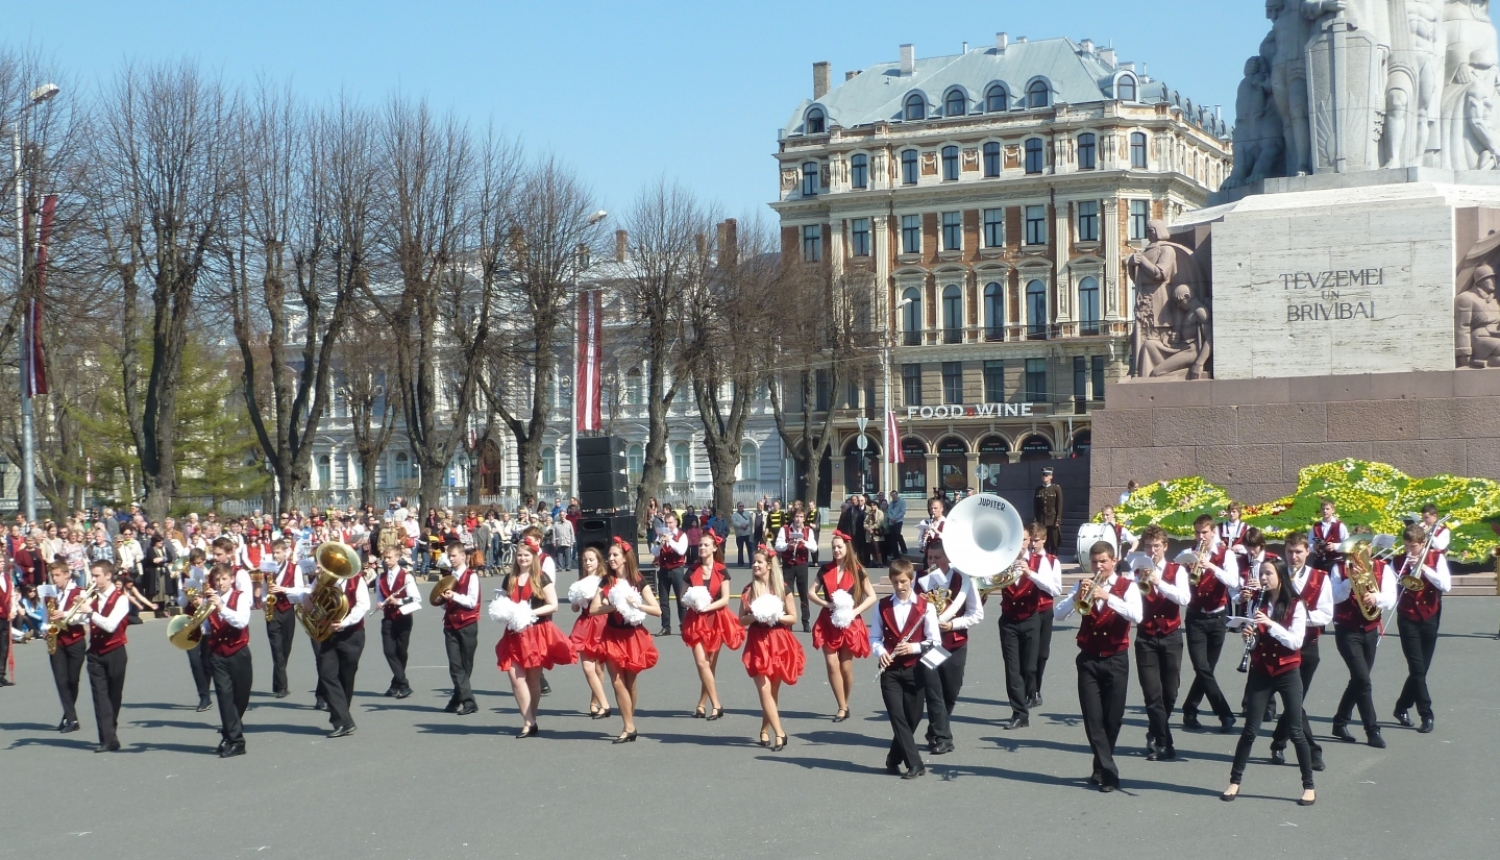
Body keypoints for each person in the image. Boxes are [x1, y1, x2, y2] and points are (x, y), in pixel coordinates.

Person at [1221, 557, 1316, 806]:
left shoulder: (1296, 605)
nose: (1263, 578)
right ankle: (1234, 781)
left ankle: (1308, 785)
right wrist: (1248, 636)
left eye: (1268, 574)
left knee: (1296, 730)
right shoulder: (1257, 602)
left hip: (1288, 672)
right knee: (1250, 730)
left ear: (1281, 577)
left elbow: (1296, 642)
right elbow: (1255, 641)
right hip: (1262, 670)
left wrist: (1270, 624)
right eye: (1261, 574)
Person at [1053, 540, 1143, 793]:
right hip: (1089, 659)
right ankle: (1110, 772)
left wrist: (1108, 596)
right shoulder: (1084, 586)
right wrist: (1075, 599)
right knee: (1093, 719)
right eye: (1094, 562)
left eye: (1103, 561)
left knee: (1112, 720)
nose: (1098, 566)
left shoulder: (1128, 587)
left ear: (1113, 561)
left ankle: (1099, 767)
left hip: (1116, 659)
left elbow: (1137, 616)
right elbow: (1058, 614)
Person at [494, 536, 576, 738]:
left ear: (534, 557)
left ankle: (532, 718)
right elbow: (502, 601)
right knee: (515, 676)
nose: (522, 558)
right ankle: (528, 720)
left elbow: (553, 605)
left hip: (536, 632)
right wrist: (503, 610)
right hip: (514, 633)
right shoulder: (510, 578)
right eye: (519, 555)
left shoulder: (541, 578)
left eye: (526, 555)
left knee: (533, 679)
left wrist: (529, 613)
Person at [1268, 533, 1332, 772]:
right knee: (1294, 702)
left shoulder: (1320, 578)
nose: (1293, 557)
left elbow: (1326, 614)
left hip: (1307, 646)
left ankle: (1278, 741)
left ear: (1307, 552)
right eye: (1289, 552)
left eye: (1298, 552)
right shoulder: (1276, 574)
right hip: (1281, 646)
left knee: (1297, 700)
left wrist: (1298, 618)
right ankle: (1313, 751)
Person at [870, 558, 939, 780]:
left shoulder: (925, 607)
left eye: (903, 582)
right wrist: (880, 652)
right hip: (890, 671)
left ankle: (893, 757)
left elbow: (935, 640)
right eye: (895, 582)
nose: (899, 587)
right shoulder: (883, 606)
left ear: (911, 580)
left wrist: (913, 647)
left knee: (912, 718)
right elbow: (874, 637)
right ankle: (915, 764)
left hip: (915, 669)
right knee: (898, 717)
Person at [590, 536, 662, 743]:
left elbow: (656, 610)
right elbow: (594, 609)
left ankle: (631, 722)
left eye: (615, 555)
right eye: (609, 555)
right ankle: (628, 726)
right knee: (617, 682)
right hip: (612, 636)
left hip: (633, 636)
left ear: (624, 558)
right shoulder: (606, 581)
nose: (611, 559)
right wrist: (614, 606)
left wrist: (635, 604)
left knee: (630, 683)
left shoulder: (637, 580)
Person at [915, 537, 982, 755]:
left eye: (938, 557)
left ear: (948, 558)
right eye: (930, 557)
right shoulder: (921, 579)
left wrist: (952, 624)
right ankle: (944, 738)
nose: (933, 562)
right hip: (930, 646)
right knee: (934, 692)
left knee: (950, 692)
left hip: (955, 643)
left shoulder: (964, 580)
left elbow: (976, 614)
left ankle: (935, 730)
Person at [1329, 537, 1397, 748]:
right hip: (1346, 630)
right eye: (1356, 548)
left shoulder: (1382, 568)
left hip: (1369, 629)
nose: (1360, 552)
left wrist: (1376, 599)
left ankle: (1339, 722)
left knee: (1360, 679)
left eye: (1365, 547)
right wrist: (1350, 581)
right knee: (1363, 680)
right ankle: (1372, 730)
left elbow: (1391, 597)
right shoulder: (1339, 569)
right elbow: (1334, 597)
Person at [293, 553, 368, 739]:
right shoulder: (321, 581)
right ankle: (342, 721)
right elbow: (307, 595)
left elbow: (363, 605)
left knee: (346, 677)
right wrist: (306, 600)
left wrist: (345, 622)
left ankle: (343, 717)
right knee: (327, 674)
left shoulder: (356, 580)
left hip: (351, 635)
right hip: (328, 635)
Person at [1180, 514, 1243, 734]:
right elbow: (1173, 570)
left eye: (1204, 532)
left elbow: (1234, 582)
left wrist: (1211, 567)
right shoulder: (1188, 553)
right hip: (1196, 617)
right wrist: (1189, 563)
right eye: (1197, 532)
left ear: (1213, 532)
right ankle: (1224, 714)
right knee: (1201, 667)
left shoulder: (1225, 555)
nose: (1201, 537)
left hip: (1217, 617)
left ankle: (1189, 709)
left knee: (1207, 669)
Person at [995, 524, 1062, 730]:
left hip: (1031, 619)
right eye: (1019, 540)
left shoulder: (1040, 562)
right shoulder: (1000, 560)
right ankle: (1019, 713)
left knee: (1029, 667)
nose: (1023, 545)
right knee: (1012, 668)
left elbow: (1054, 589)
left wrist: (1030, 573)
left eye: (1025, 540)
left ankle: (1028, 694)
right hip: (1008, 620)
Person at [739, 545, 805, 751]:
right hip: (758, 641)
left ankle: (764, 729)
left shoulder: (782, 588)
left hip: (778, 640)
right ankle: (780, 733)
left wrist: (775, 615)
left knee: (773, 691)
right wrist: (756, 615)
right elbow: (741, 620)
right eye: (754, 562)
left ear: (769, 565)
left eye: (759, 562)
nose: (755, 565)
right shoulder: (749, 590)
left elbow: (793, 617)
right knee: (764, 688)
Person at [1134, 524, 1191, 762]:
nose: (1152, 551)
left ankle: (1155, 730)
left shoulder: (1176, 570)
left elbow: (1185, 598)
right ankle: (1164, 742)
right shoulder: (1136, 570)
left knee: (1171, 692)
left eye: (1156, 546)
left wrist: (1160, 583)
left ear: (1165, 547)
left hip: (1171, 636)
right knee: (1152, 694)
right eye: (1148, 546)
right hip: (1145, 636)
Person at [809, 529, 876, 721]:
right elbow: (810, 593)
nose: (836, 550)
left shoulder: (857, 569)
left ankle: (845, 703)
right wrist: (826, 604)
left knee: (845, 668)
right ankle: (841, 706)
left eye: (839, 547)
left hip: (850, 623)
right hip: (827, 622)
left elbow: (871, 596)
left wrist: (855, 612)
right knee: (832, 664)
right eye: (833, 547)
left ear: (847, 548)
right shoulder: (825, 569)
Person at [1391, 523, 1451, 734]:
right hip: (1407, 618)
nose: (1410, 551)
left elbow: (1446, 585)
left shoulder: (1436, 558)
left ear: (1423, 543)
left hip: (1430, 617)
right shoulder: (1398, 561)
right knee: (1416, 669)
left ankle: (1401, 707)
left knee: (1421, 670)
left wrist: (1425, 568)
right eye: (1407, 545)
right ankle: (1426, 714)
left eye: (1413, 546)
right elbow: (1391, 589)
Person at [681, 532, 745, 720]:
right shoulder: (692, 570)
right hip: (696, 620)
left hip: (716, 620)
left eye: (706, 545)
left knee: (709, 666)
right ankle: (717, 704)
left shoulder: (722, 570)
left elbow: (725, 599)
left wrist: (707, 605)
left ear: (714, 548)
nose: (702, 548)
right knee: (702, 662)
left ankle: (702, 703)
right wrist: (692, 602)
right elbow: (683, 597)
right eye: (700, 545)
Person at [204, 564, 252, 758]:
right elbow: (207, 628)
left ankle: (228, 734)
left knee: (240, 697)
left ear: (231, 579)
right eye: (217, 580)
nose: (220, 583)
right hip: (217, 654)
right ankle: (237, 741)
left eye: (224, 579)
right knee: (224, 697)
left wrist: (221, 607)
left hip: (238, 652)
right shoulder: (210, 601)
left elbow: (241, 621)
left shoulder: (240, 597)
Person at [84, 560, 129, 753]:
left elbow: (110, 625)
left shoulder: (121, 599)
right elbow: (79, 618)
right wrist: (68, 613)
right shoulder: (92, 598)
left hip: (115, 651)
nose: (93, 579)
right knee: (99, 696)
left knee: (113, 696)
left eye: (96, 575)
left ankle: (111, 732)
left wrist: (90, 613)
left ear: (108, 575)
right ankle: (107, 739)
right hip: (95, 652)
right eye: (92, 575)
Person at [436, 540, 480, 716]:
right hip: (450, 624)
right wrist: (443, 601)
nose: (451, 559)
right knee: (455, 665)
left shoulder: (472, 576)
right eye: (449, 556)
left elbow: (471, 601)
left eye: (454, 556)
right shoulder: (448, 576)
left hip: (468, 624)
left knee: (466, 665)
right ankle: (469, 702)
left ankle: (456, 698)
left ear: (463, 556)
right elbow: (443, 605)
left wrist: (453, 595)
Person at [41, 562, 86, 733]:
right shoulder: (49, 595)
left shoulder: (79, 592)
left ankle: (67, 715)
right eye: (53, 576)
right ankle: (72, 719)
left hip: (75, 641)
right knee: (61, 681)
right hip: (57, 642)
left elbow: (83, 618)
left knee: (72, 681)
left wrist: (65, 615)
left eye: (58, 575)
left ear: (67, 575)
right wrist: (45, 630)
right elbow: (45, 618)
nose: (55, 579)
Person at [568, 546, 612, 719]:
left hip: (602, 623)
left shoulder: (604, 580)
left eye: (591, 559)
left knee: (599, 669)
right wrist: (577, 598)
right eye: (585, 560)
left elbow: (609, 603)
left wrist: (596, 597)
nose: (587, 563)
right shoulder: (581, 581)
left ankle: (595, 702)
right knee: (588, 667)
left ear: (598, 561)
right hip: (585, 624)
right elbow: (574, 608)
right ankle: (605, 705)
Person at [263, 539, 308, 700]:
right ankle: (283, 686)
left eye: (278, 552)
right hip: (273, 611)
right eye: (273, 552)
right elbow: (263, 590)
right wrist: (264, 601)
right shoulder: (268, 569)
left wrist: (283, 589)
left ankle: (277, 681)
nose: (275, 556)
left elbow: (300, 590)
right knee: (277, 649)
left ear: (285, 552)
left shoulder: (294, 568)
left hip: (288, 609)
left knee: (286, 648)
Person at [374, 544, 420, 699]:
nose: (386, 560)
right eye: (385, 557)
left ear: (397, 558)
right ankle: (403, 683)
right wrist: (380, 603)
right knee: (388, 651)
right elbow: (380, 595)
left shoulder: (407, 576)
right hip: (388, 618)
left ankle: (395, 685)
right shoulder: (380, 578)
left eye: (390, 557)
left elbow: (416, 598)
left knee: (401, 652)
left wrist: (398, 601)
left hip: (404, 618)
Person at [773, 508, 816, 633]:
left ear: (804, 518)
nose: (798, 519)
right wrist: (788, 545)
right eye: (797, 516)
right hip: (788, 565)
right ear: (793, 517)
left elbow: (814, 548)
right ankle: (788, 622)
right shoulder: (785, 529)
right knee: (787, 593)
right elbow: (777, 546)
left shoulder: (808, 531)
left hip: (802, 564)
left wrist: (805, 542)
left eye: (801, 516)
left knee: (804, 593)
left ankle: (805, 622)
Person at [653, 511, 688, 637]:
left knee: (681, 600)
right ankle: (665, 627)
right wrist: (660, 544)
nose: (668, 525)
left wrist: (671, 541)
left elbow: (681, 550)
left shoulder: (682, 535)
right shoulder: (661, 534)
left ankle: (684, 626)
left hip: (677, 570)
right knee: (663, 601)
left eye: (670, 523)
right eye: (666, 523)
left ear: (676, 522)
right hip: (663, 570)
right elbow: (655, 552)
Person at [1307, 498, 1348, 573]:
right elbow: (1308, 544)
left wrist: (1335, 546)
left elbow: (1347, 544)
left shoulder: (1340, 526)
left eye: (1327, 509)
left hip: (1335, 562)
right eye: (1323, 509)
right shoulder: (1316, 526)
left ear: (1333, 510)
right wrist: (1313, 546)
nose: (1325, 511)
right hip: (1319, 562)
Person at [1033, 467, 1064, 555]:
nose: (1044, 477)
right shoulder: (1038, 490)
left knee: (1054, 543)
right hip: (1042, 520)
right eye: (1043, 475)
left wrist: (1058, 520)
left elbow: (1059, 505)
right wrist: (1036, 520)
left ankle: (1054, 559)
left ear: (1051, 476)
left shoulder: (1056, 488)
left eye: (1046, 475)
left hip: (1052, 520)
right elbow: (1036, 506)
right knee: (1043, 542)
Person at [885, 491, 907, 560]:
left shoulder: (902, 502)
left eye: (894, 496)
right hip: (892, 521)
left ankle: (903, 548)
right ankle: (895, 554)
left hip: (898, 521)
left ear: (897, 495)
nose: (893, 497)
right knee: (893, 538)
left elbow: (902, 511)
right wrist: (891, 518)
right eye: (892, 496)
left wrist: (896, 518)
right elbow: (888, 512)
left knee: (897, 534)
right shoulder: (891, 503)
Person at [732, 503, 753, 567]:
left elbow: (750, 520)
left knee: (750, 549)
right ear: (737, 507)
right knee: (740, 549)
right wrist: (741, 525)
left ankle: (751, 562)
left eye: (742, 506)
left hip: (748, 534)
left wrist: (745, 524)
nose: (741, 507)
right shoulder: (734, 515)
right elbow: (734, 522)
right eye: (740, 506)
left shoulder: (747, 513)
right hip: (739, 534)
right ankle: (740, 562)